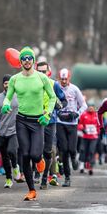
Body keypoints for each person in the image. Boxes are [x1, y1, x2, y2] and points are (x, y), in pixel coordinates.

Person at [2, 47, 56, 201]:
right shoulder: (15, 79)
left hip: (38, 121)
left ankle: (40, 160)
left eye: (29, 58)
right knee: (25, 155)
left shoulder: (42, 78)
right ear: (20, 61)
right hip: (22, 120)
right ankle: (31, 190)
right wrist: (6, 104)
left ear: (33, 60)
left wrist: (48, 114)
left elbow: (52, 98)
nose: (27, 61)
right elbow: (8, 96)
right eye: (24, 58)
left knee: (35, 154)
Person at [35, 59, 67, 189]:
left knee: (48, 151)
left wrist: (58, 107)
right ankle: (37, 171)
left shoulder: (54, 84)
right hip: (35, 120)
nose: (42, 73)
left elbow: (64, 101)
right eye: (39, 71)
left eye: (44, 71)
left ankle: (44, 178)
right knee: (36, 150)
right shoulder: (32, 84)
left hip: (50, 121)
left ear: (49, 72)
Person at [56, 68, 87, 187]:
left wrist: (77, 113)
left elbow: (84, 105)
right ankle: (67, 178)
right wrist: (56, 112)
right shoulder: (56, 88)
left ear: (69, 78)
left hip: (72, 123)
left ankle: (74, 158)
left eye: (65, 79)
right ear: (59, 78)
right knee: (63, 150)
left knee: (72, 149)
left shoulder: (74, 89)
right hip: (60, 122)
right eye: (62, 79)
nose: (63, 81)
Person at [0, 74, 21, 188]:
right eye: (5, 83)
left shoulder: (18, 96)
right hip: (1, 131)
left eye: (9, 83)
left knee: (12, 151)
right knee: (4, 156)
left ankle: (15, 167)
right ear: (3, 85)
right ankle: (9, 179)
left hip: (14, 130)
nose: (7, 85)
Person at [78, 101, 99, 175]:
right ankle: (81, 165)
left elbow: (99, 125)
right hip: (85, 136)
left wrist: (98, 132)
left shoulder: (97, 115)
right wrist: (82, 128)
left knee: (91, 151)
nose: (90, 108)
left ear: (94, 107)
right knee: (83, 150)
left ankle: (90, 166)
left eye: (92, 106)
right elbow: (79, 124)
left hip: (94, 137)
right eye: (89, 106)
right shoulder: (84, 115)